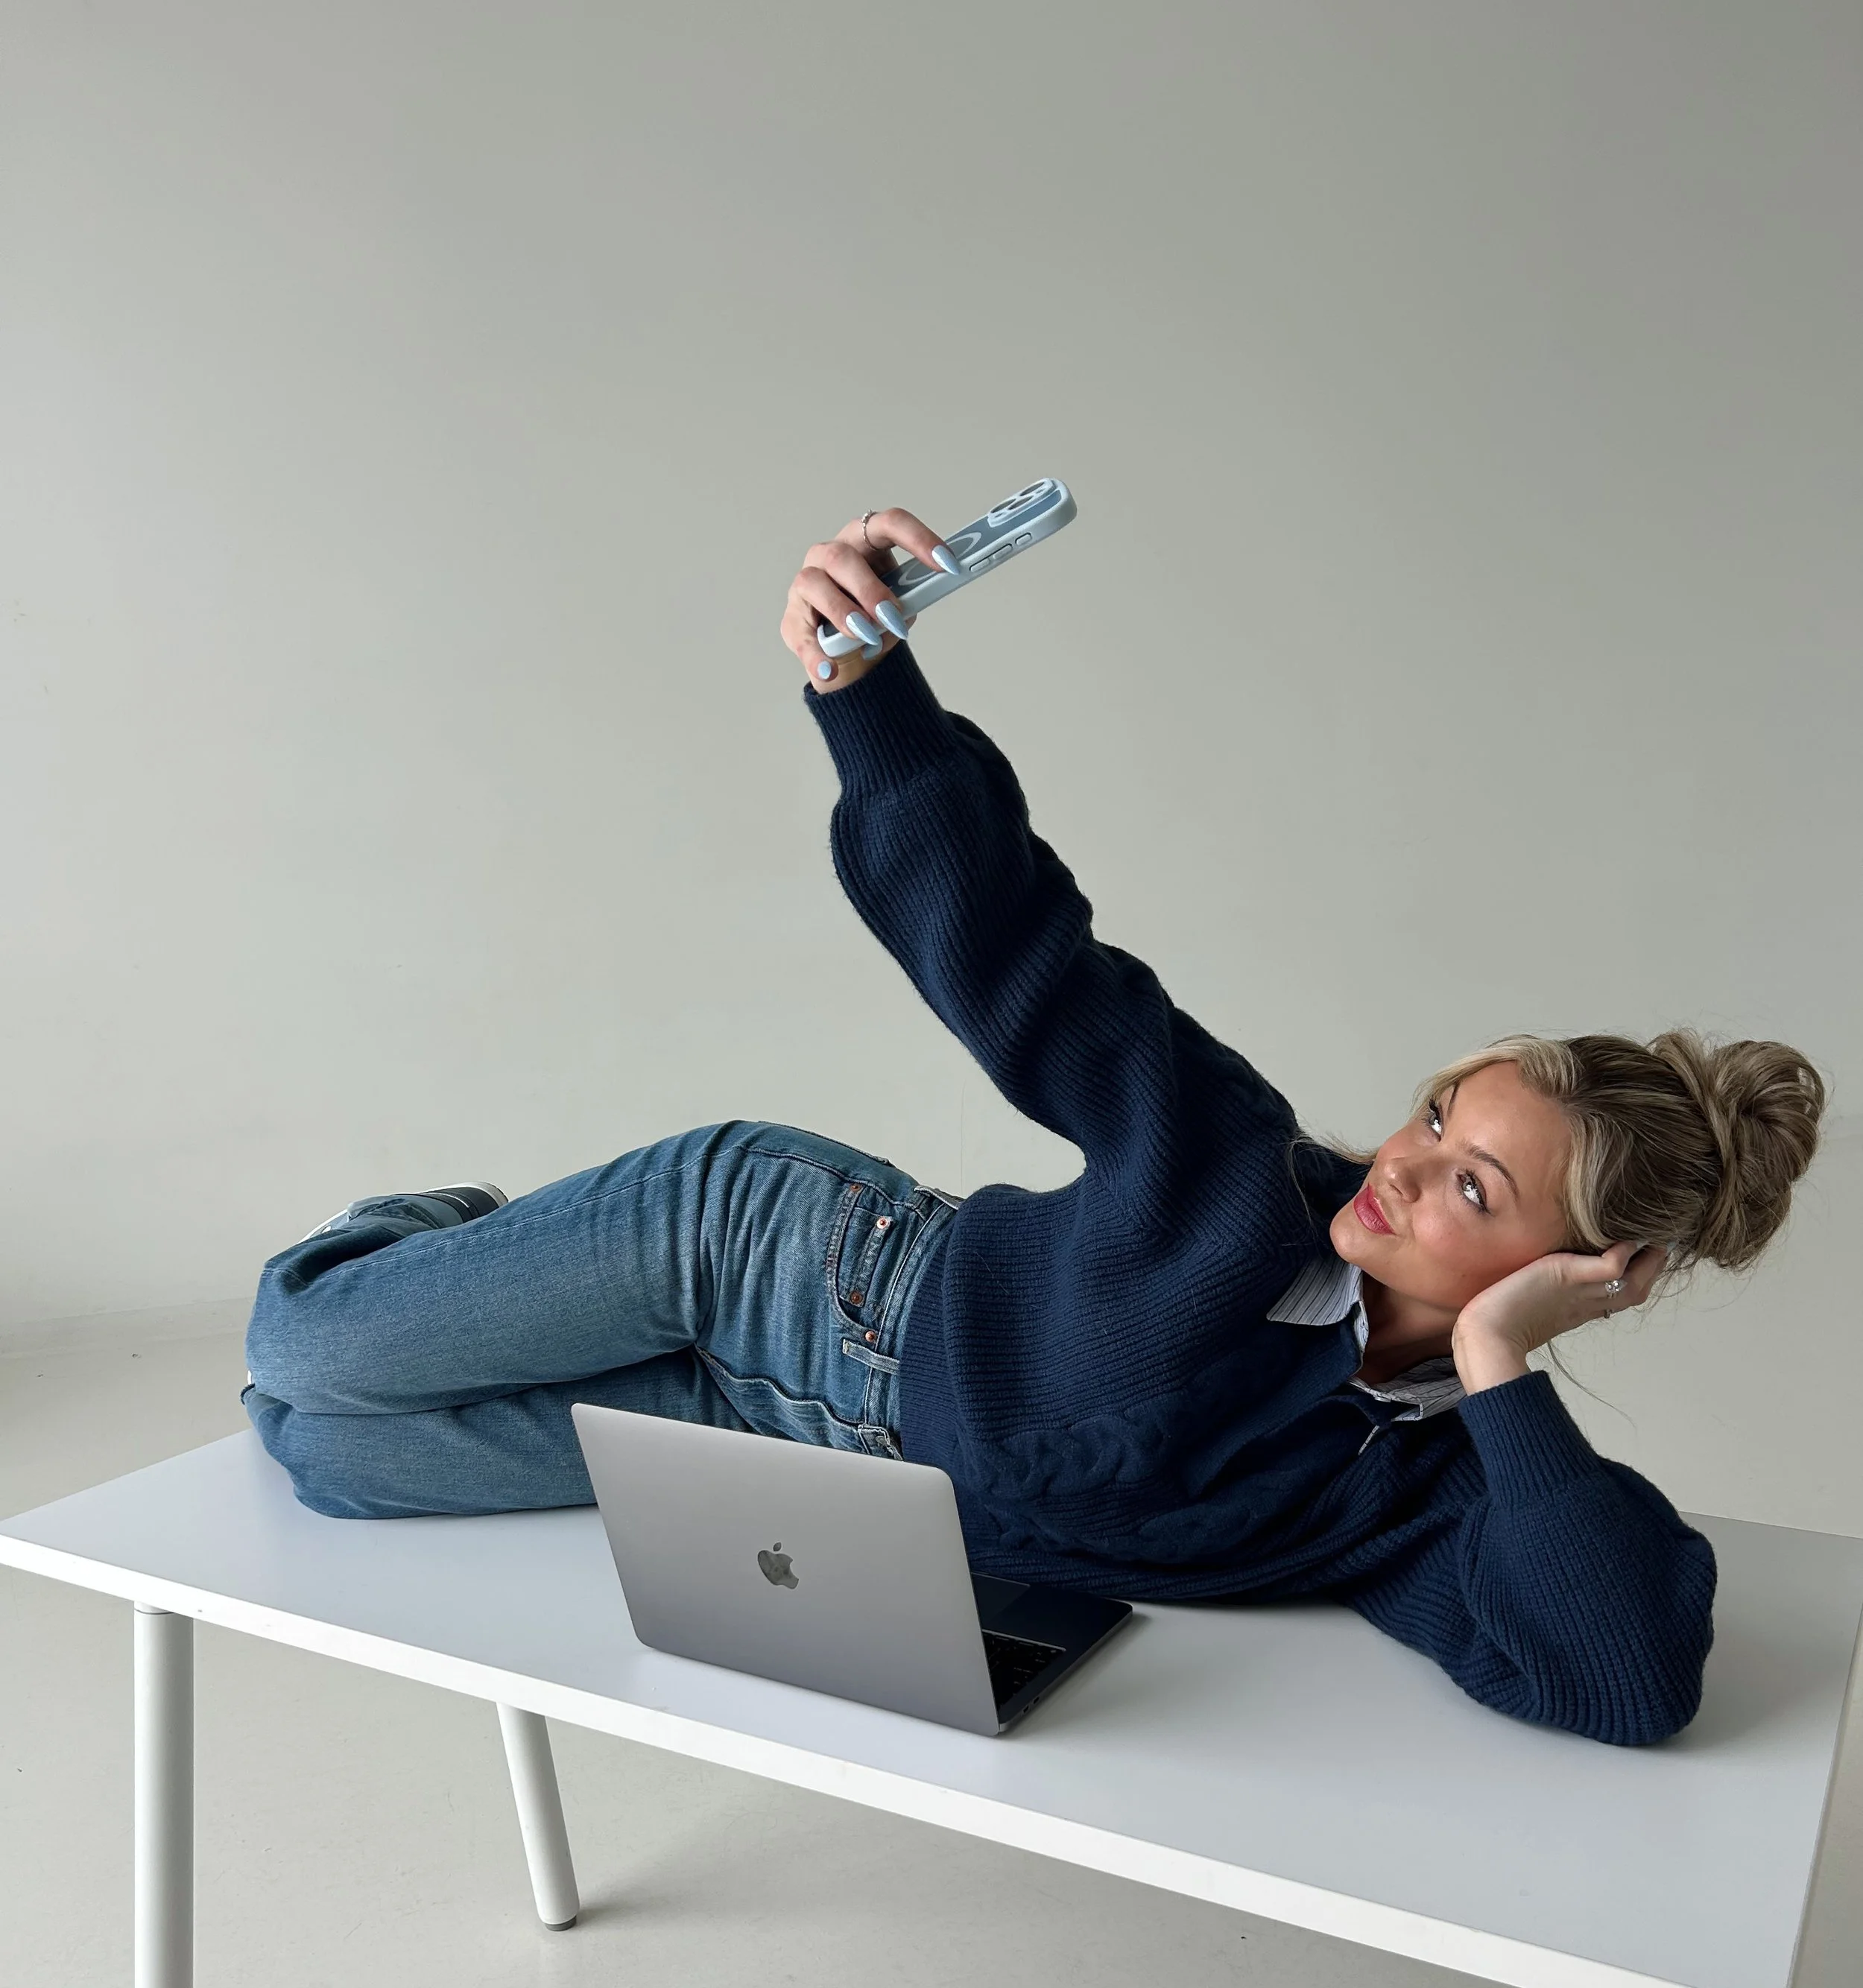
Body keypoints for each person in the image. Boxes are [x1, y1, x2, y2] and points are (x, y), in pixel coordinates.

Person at [242, 505, 1826, 1748]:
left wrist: (1493, 1371)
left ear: (1579, 1268)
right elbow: (1015, 947)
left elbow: (1623, 1682)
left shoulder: (1425, 1498)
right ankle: (450, 1224)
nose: (1398, 1164)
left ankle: (493, 1272)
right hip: (766, 1264)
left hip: (795, 1461)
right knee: (308, 1351)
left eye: (1468, 1184)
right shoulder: (1230, 1171)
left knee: (330, 1464)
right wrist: (867, 692)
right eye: (1431, 1114)